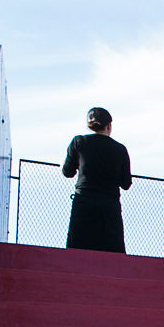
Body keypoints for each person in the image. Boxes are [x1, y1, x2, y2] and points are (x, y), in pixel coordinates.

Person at [61, 107, 132, 252]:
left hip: (84, 202)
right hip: (109, 206)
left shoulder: (79, 142)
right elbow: (126, 183)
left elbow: (67, 171)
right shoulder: (120, 149)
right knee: (112, 251)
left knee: (78, 248)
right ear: (109, 126)